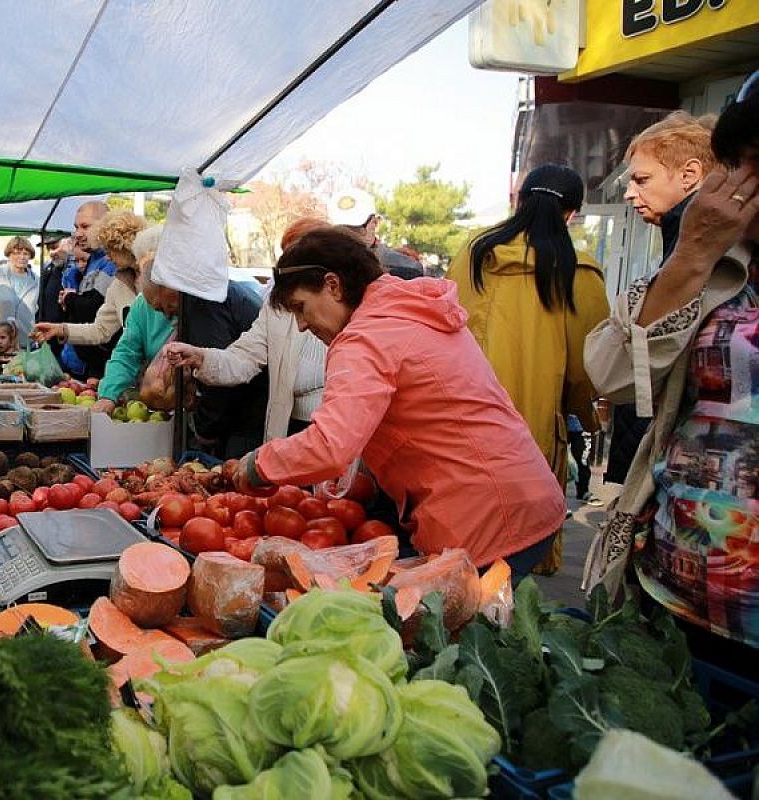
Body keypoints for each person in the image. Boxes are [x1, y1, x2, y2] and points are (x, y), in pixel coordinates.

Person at [233, 227, 565, 576]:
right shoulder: (408, 310)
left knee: (466, 625)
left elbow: (331, 446)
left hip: (484, 517)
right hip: (521, 496)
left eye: (301, 308)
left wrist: (259, 464)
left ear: (333, 285)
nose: (301, 325)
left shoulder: (366, 337)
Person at [583, 77, 759, 655]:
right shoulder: (713, 266)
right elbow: (610, 371)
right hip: (675, 592)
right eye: (739, 166)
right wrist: (692, 255)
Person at [448, 164, 610, 574]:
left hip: (459, 423)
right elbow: (587, 368)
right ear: (571, 214)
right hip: (530, 433)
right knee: (520, 553)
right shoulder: (578, 269)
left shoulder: (472, 253)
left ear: (519, 202)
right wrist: (585, 415)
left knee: (458, 553)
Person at [606, 112, 719, 487]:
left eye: (642, 179)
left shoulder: (704, 246)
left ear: (689, 175)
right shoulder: (682, 237)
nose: (629, 192)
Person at [162, 216, 331, 441]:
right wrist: (201, 357)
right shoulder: (277, 308)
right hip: (287, 428)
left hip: (330, 432)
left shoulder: (350, 313)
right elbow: (245, 358)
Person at [92, 257, 267, 458]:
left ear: (168, 288)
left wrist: (204, 429)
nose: (165, 315)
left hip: (246, 417)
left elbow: (221, 378)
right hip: (241, 412)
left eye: (160, 307)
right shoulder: (205, 293)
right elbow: (126, 352)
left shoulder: (205, 303)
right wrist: (109, 395)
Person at [33, 211, 148, 364]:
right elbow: (100, 329)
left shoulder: (157, 278)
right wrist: (60, 329)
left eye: (110, 250)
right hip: (137, 371)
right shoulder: (118, 284)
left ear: (125, 246)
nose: (107, 257)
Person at [63, 201, 120, 377]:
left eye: (85, 226)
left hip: (103, 366)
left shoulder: (111, 262)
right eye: (76, 227)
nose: (78, 234)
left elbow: (94, 308)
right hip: (87, 364)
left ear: (105, 224)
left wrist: (70, 300)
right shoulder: (94, 259)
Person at [0, 235, 38, 344]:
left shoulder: (36, 280)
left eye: (26, 254)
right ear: (9, 255)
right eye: (17, 253)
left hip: (25, 339)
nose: (22, 257)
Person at [36, 234, 71, 361]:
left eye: (55, 247)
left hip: (69, 342)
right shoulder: (48, 270)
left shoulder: (78, 271)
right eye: (48, 249)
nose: (51, 253)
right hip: (49, 343)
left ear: (69, 242)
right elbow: (41, 303)